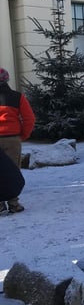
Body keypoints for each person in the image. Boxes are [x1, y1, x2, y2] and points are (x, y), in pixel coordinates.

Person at [0, 68, 35, 214]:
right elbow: (29, 118)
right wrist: (23, 135)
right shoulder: (17, 97)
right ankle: (14, 203)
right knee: (13, 170)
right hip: (12, 138)